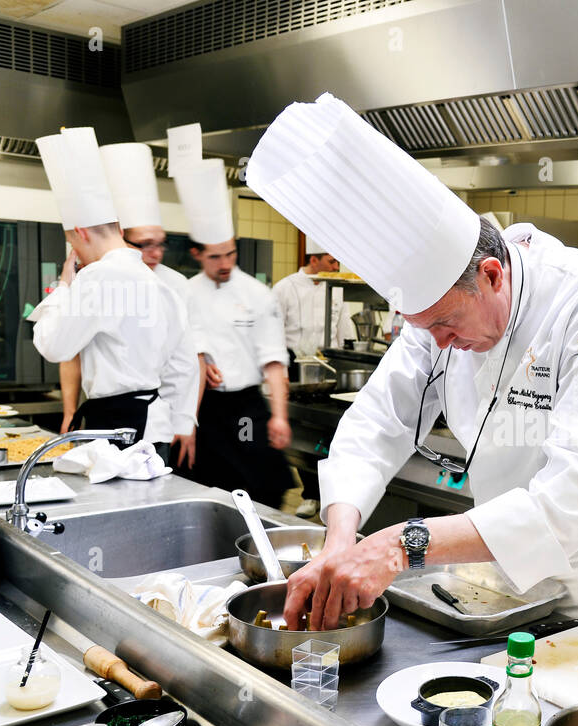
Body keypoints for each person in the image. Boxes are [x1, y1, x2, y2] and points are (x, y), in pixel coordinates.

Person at [246, 92, 578, 628]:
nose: (437, 343)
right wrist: (340, 539)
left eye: (444, 324)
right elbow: (377, 420)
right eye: (423, 327)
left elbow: (567, 504)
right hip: (488, 565)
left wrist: (399, 546)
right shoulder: (435, 311)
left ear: (492, 275)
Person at [31, 128, 198, 456]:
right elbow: (185, 365)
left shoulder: (97, 278)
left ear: (80, 232)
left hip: (117, 429)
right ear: (120, 230)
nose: (76, 253)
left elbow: (53, 346)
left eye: (73, 244)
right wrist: (181, 422)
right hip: (154, 427)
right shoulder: (159, 283)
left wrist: (64, 286)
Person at [175, 158, 294, 508]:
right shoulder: (185, 291)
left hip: (246, 408)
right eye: (215, 257)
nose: (225, 263)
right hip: (204, 408)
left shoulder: (257, 293)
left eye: (230, 253)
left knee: (259, 491)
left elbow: (273, 360)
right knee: (205, 492)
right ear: (197, 254)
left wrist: (280, 416)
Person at [273, 240, 356, 366]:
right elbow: (274, 332)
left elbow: (344, 330)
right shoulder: (284, 288)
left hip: (330, 361)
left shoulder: (338, 289)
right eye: (331, 261)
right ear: (313, 261)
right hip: (293, 362)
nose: (336, 267)